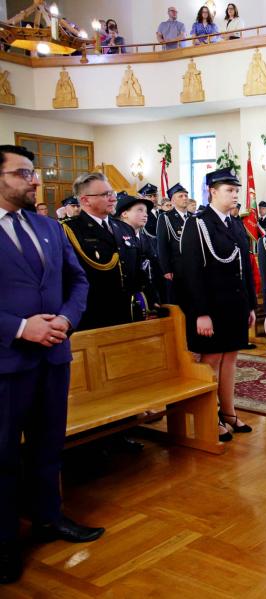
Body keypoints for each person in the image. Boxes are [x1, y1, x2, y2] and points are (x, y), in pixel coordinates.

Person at [0, 146, 101, 585]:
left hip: (53, 356)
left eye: (34, 172)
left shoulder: (47, 226)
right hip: (8, 362)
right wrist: (23, 327)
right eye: (23, 173)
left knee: (47, 445)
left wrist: (65, 319)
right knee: (3, 455)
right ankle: (5, 541)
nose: (35, 180)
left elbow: (78, 280)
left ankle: (48, 517)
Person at [180, 168, 257, 443]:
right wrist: (201, 313)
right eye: (229, 190)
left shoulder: (235, 223)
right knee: (211, 360)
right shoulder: (198, 224)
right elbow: (191, 272)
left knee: (231, 358)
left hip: (234, 304)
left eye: (236, 191)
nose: (235, 195)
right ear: (212, 192)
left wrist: (250, 305)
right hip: (211, 307)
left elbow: (245, 267)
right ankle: (210, 416)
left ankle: (229, 412)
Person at [63, 174, 139, 330]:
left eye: (112, 193)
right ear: (85, 200)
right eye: (105, 195)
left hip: (127, 312)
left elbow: (137, 267)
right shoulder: (70, 230)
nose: (113, 199)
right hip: (93, 315)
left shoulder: (124, 227)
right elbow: (67, 278)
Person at [114, 192, 162, 314]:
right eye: (140, 210)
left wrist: (153, 297)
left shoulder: (147, 239)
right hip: (123, 301)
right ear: (124, 214)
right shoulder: (115, 237)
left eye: (146, 211)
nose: (145, 214)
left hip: (146, 299)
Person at [156, 183, 191, 305]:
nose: (185, 198)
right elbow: (162, 245)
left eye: (186, 195)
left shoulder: (193, 217)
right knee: (178, 299)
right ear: (172, 200)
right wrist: (166, 269)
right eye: (180, 196)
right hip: (176, 266)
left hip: (193, 265)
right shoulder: (165, 217)